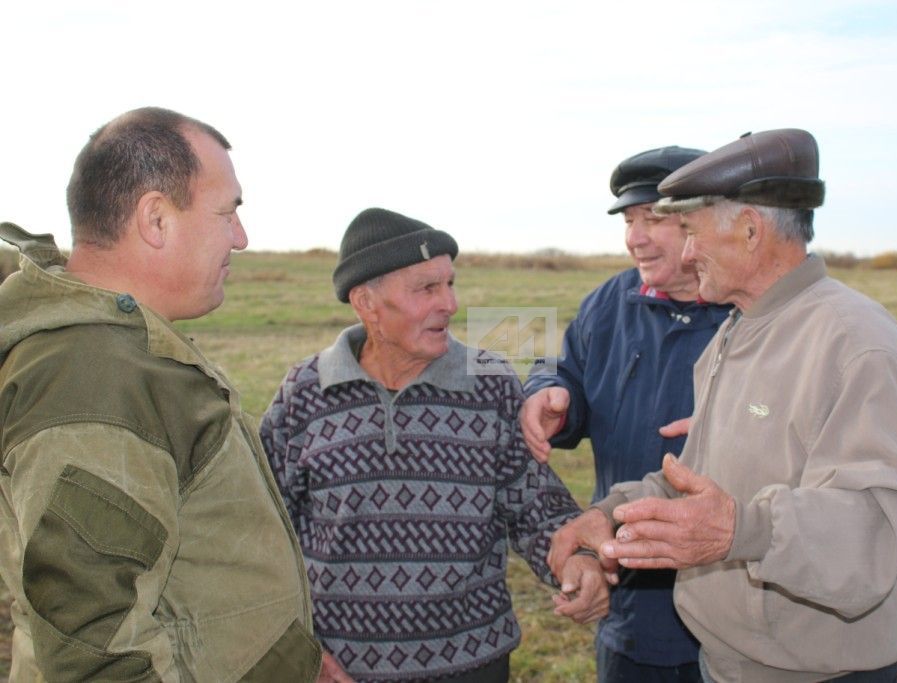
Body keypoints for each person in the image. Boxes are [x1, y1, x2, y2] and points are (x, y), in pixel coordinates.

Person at [549, 129, 897, 682]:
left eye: (690, 231)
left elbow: (886, 523)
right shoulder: (739, 330)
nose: (684, 253)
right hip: (730, 664)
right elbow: (698, 477)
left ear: (751, 231)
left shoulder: (857, 345)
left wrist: (742, 530)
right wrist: (608, 514)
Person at [0, 108, 324, 682]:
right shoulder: (94, 379)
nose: (241, 239)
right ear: (156, 219)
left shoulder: (126, 349)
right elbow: (97, 656)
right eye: (227, 213)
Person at [260, 207, 609, 683]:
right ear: (366, 302)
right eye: (427, 288)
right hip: (338, 670)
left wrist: (580, 560)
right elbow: (262, 531)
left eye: (450, 284)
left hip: (473, 665)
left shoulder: (490, 382)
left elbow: (535, 508)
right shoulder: (305, 391)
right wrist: (293, 647)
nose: (450, 303)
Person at [520, 146, 731, 682]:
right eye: (630, 220)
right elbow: (564, 371)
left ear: (701, 221)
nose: (635, 236)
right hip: (635, 609)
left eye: (654, 218)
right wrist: (550, 394)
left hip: (738, 607)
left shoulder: (751, 310)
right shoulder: (609, 304)